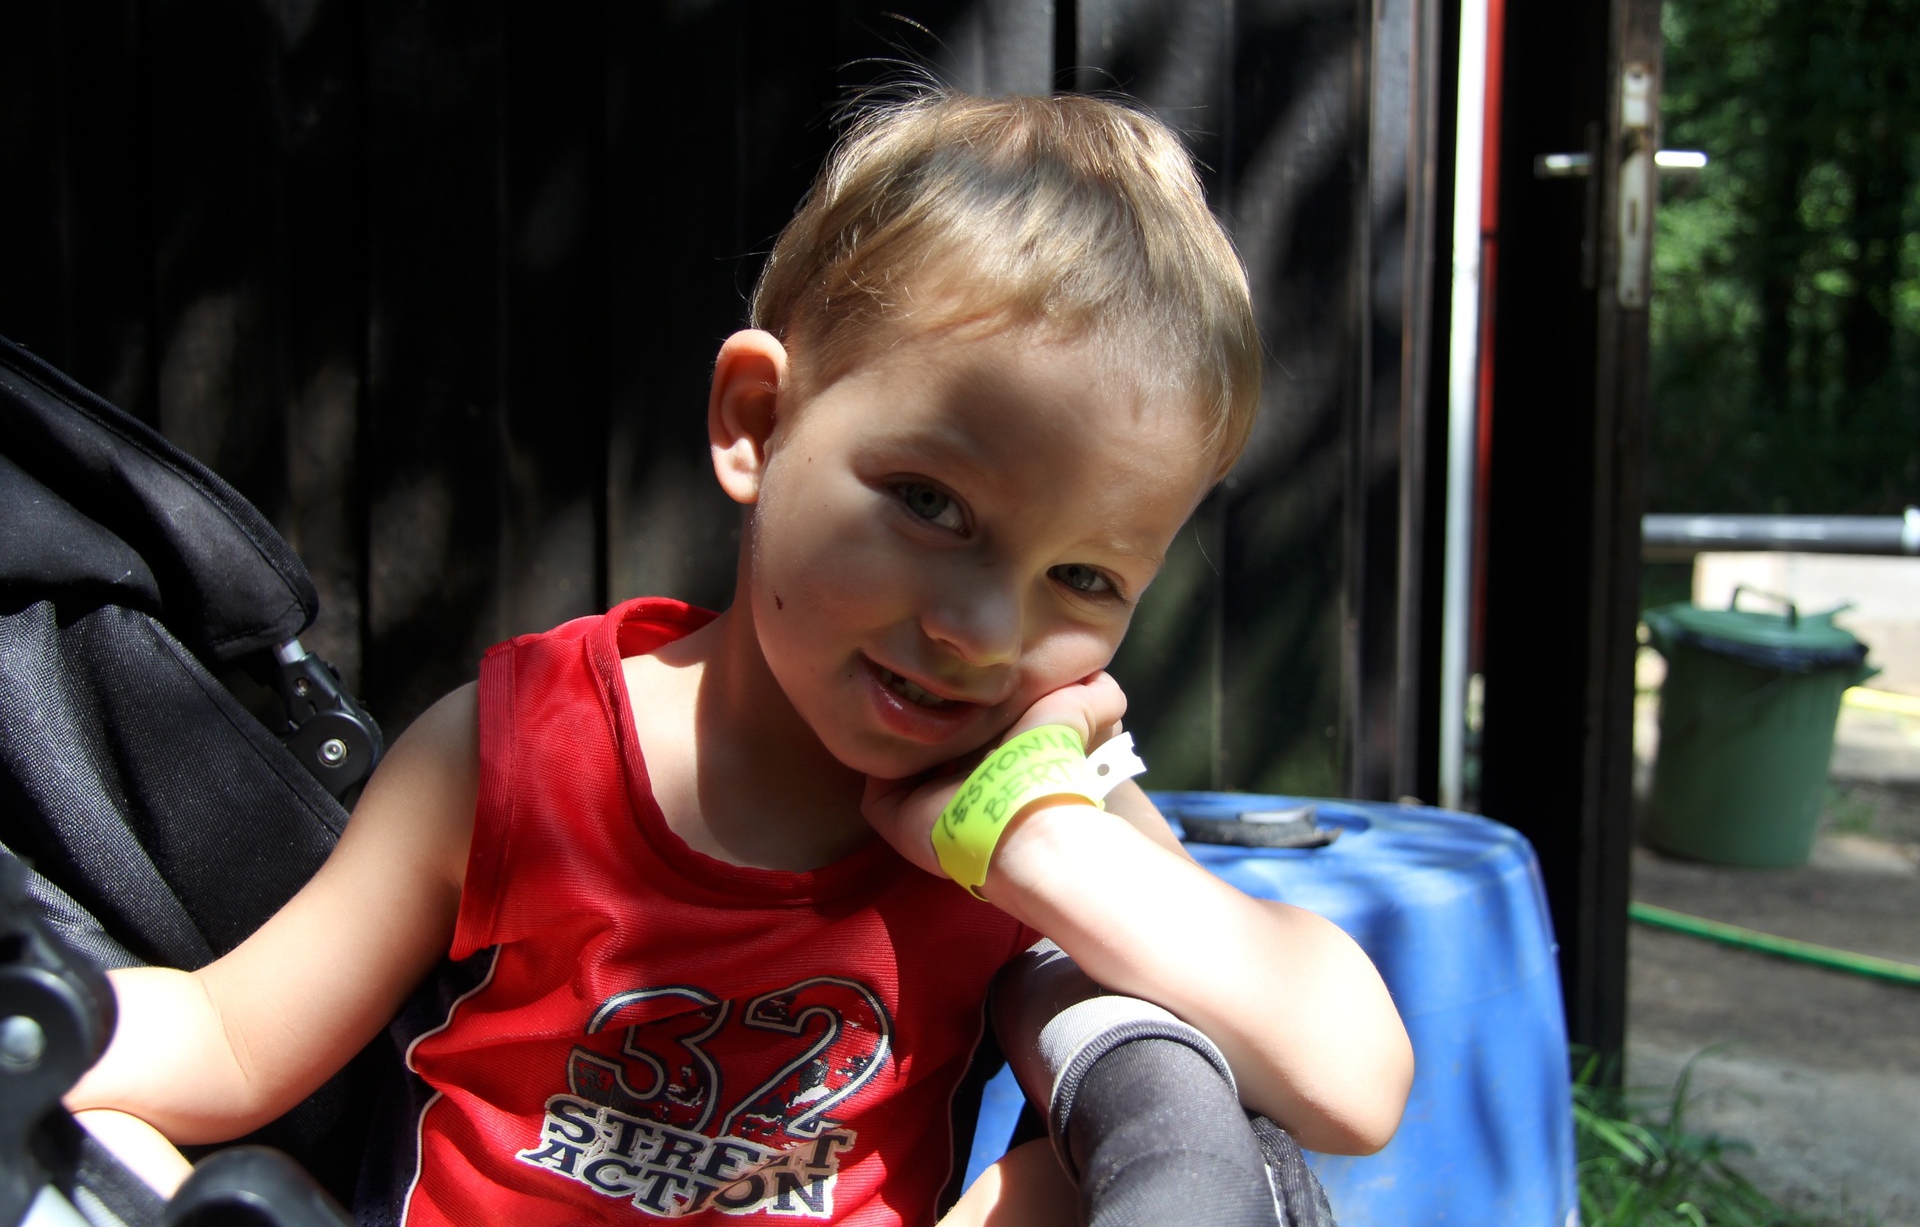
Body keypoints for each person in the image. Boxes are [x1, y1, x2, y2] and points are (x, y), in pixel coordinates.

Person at [65, 90, 1413, 1226]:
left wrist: (1037, 843)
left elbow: (1352, 1081)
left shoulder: (1028, 795)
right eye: (931, 503)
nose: (984, 630)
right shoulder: (513, 754)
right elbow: (230, 1037)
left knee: (1065, 1188)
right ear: (759, 424)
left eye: (1084, 577)